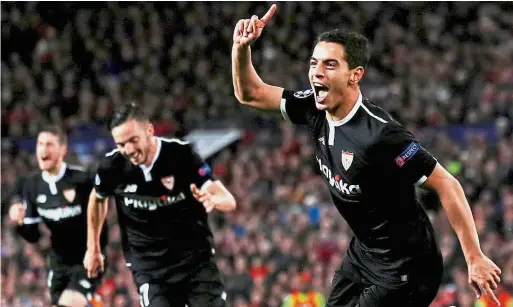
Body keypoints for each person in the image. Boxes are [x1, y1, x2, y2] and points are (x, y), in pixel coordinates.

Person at [232, 5, 502, 307]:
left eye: (330, 65)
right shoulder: (313, 108)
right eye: (314, 63)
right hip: (363, 255)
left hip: (407, 269)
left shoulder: (381, 135)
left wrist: (474, 256)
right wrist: (240, 49)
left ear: (355, 75)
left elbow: (446, 184)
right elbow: (251, 94)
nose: (317, 72)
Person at [83, 102, 236, 307]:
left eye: (133, 140)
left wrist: (214, 200)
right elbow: (97, 198)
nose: (128, 149)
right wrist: (92, 249)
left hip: (195, 262)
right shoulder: (113, 167)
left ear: (149, 130)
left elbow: (228, 199)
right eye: (120, 144)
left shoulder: (180, 155)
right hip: (150, 270)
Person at [8, 126, 108, 307]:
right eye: (40, 144)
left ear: (63, 149)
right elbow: (33, 236)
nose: (43, 149)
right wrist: (19, 222)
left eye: (49, 144)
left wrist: (96, 251)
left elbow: (102, 220)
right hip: (57, 264)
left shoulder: (81, 179)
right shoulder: (32, 185)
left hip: (86, 258)